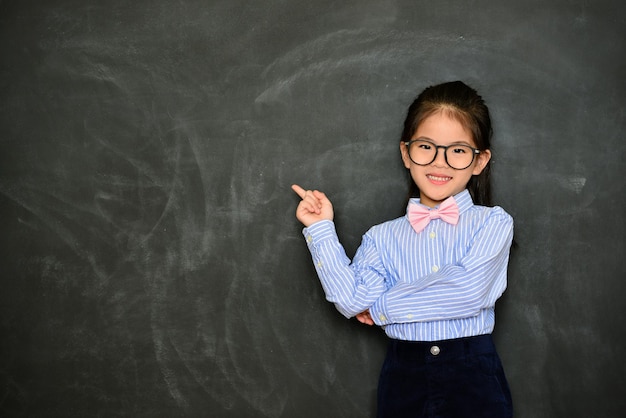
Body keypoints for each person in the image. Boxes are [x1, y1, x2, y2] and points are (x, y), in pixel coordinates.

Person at [291, 81, 514, 417]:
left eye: (457, 150)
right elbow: (351, 300)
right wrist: (321, 229)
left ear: (479, 161)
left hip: (472, 376)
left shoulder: (493, 223)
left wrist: (381, 309)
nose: (440, 163)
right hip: (404, 376)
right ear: (406, 152)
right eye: (426, 146)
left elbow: (468, 292)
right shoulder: (382, 237)